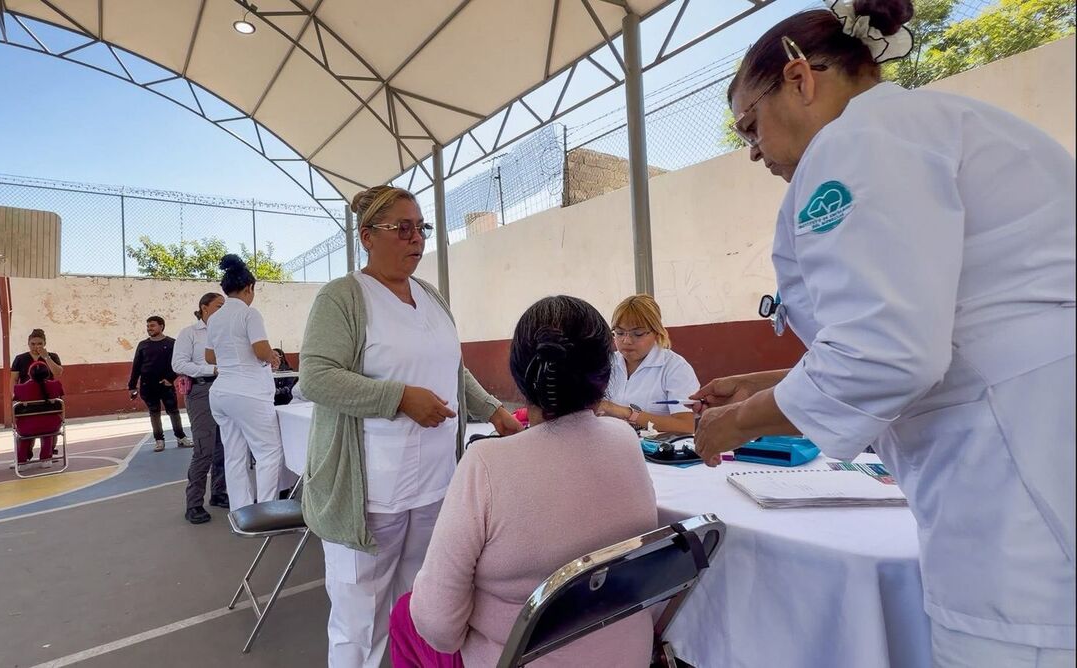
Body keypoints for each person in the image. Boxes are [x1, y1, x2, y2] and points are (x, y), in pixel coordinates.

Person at [692, 2, 1075, 664]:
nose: (751, 151)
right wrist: (765, 384)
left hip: (1015, 490)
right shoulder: (930, 124)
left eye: (750, 126)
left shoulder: (855, 143)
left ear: (799, 79)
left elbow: (889, 353)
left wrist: (738, 424)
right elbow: (926, 330)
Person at [298, 185, 523, 668]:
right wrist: (399, 398)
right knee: (360, 623)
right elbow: (316, 377)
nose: (416, 238)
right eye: (402, 228)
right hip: (369, 496)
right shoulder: (343, 298)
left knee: (418, 607)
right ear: (367, 237)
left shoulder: (430, 295)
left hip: (434, 485)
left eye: (421, 228)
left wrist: (493, 411)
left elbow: (451, 367)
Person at [390, 295, 660, 667]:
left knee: (405, 615)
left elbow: (438, 627)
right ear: (604, 372)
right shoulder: (625, 440)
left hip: (517, 658)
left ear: (520, 371)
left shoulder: (485, 464)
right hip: (628, 655)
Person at [205, 254, 290, 513]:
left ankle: (241, 512)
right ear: (249, 288)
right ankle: (266, 513)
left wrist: (233, 355)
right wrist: (272, 356)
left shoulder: (214, 318)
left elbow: (209, 357)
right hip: (248, 392)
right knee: (269, 453)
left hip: (221, 392)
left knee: (234, 455)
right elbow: (261, 350)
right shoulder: (249, 314)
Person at [599, 294, 699, 434]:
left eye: (638, 334)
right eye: (619, 333)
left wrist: (627, 413)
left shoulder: (675, 368)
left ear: (656, 333)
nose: (627, 341)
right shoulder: (605, 364)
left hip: (658, 446)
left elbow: (685, 426)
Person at [173, 293, 229, 524]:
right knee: (204, 447)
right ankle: (194, 503)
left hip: (226, 389)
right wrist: (211, 369)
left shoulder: (226, 331)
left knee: (223, 446)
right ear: (204, 308)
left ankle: (218, 492)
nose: (223, 310)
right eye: (219, 306)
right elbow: (178, 364)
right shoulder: (190, 333)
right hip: (201, 391)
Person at [128, 316, 192, 453]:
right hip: (147, 385)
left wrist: (170, 378)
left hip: (166, 385)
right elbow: (136, 366)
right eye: (148, 326)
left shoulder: (172, 343)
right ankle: (159, 440)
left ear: (161, 326)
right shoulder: (143, 345)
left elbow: (178, 363)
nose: (149, 328)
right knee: (154, 413)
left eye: (152, 325)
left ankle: (181, 437)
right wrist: (132, 386)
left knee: (173, 412)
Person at [12, 360, 65, 466]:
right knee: (47, 425)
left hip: (26, 428)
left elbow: (15, 402)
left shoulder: (19, 388)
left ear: (29, 374)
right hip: (52, 426)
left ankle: (21, 461)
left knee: (26, 430)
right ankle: (46, 458)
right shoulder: (56, 385)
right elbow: (61, 399)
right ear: (47, 373)